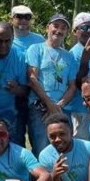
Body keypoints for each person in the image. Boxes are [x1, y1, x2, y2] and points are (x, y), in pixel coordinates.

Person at [26, 13, 77, 156]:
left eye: (63, 28)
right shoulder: (35, 49)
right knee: (41, 149)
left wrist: (58, 106)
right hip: (40, 108)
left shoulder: (70, 56)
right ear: (47, 28)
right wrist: (50, 105)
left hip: (62, 109)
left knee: (65, 149)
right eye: (56, 26)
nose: (59, 30)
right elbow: (32, 78)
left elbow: (72, 86)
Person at [10, 5, 45, 147]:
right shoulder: (5, 39)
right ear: (12, 19)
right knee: (16, 138)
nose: (23, 20)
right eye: (19, 16)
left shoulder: (40, 40)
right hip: (13, 96)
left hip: (36, 95)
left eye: (27, 17)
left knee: (38, 139)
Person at [68, 12, 90, 140]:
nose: (89, 31)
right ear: (75, 32)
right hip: (80, 110)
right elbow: (78, 84)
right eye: (84, 27)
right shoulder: (72, 54)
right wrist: (85, 60)